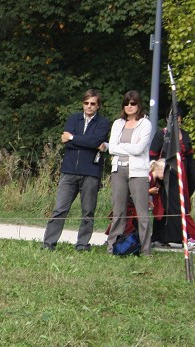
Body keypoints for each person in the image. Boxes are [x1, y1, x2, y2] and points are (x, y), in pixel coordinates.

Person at [41, 89, 111, 251]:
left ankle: (82, 244)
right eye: (86, 103)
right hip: (69, 171)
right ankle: (48, 243)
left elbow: (95, 140)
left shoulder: (103, 123)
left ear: (98, 106)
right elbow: (67, 141)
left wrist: (73, 138)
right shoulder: (74, 118)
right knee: (59, 209)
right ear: (83, 104)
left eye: (93, 103)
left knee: (87, 211)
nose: (89, 106)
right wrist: (88, 143)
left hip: (91, 172)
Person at [106, 91, 153, 256]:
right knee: (118, 210)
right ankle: (112, 247)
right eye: (126, 103)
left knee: (142, 212)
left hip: (138, 171)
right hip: (118, 169)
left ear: (138, 105)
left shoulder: (145, 124)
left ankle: (146, 250)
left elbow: (140, 149)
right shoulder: (118, 123)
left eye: (133, 103)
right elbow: (111, 147)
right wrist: (125, 148)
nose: (129, 107)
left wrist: (121, 147)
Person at [149, 108, 195, 248]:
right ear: (167, 118)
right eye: (173, 116)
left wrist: (194, 179)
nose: (176, 119)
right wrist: (155, 175)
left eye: (178, 116)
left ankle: (175, 237)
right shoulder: (161, 134)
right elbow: (152, 156)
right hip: (166, 174)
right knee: (167, 205)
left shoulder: (184, 135)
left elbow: (189, 157)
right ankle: (184, 237)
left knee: (182, 204)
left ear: (181, 118)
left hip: (182, 174)